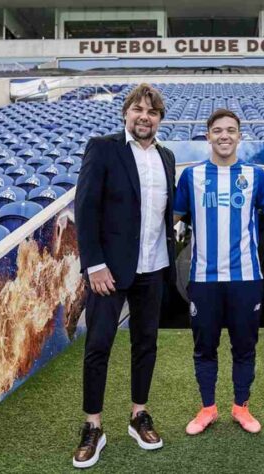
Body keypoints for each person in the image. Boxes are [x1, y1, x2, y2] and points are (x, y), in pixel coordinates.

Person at [72, 83, 176, 468]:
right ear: (125, 114)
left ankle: (138, 415)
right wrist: (94, 264)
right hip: (110, 272)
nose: (144, 117)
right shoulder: (103, 148)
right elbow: (85, 209)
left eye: (151, 112)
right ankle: (93, 425)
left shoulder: (167, 157)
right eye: (137, 110)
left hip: (154, 266)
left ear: (160, 119)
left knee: (145, 344)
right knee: (99, 344)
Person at [173, 109, 264, 435]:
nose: (224, 135)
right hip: (204, 280)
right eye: (218, 130)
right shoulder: (191, 177)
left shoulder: (255, 176)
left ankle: (241, 408)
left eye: (231, 130)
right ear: (208, 135)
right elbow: (172, 218)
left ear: (239, 136)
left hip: (246, 279)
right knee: (205, 347)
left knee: (244, 347)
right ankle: (207, 408)